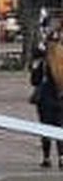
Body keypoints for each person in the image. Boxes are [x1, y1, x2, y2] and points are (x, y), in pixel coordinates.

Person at [31, 33, 63, 168]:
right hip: (61, 99)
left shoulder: (43, 62)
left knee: (45, 129)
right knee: (60, 128)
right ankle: (62, 157)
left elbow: (34, 81)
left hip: (45, 100)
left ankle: (47, 157)